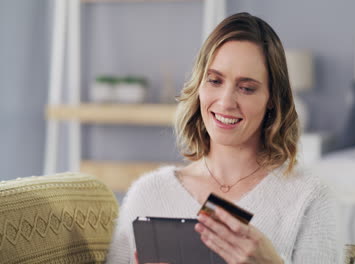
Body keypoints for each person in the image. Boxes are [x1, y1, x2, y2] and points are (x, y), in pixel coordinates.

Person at [106, 12, 340, 264]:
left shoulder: (309, 199)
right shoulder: (149, 193)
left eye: (246, 88)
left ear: (272, 98)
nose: (226, 102)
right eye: (215, 80)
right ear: (199, 86)